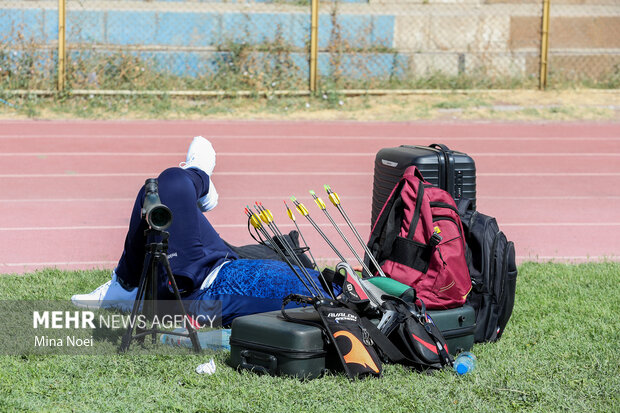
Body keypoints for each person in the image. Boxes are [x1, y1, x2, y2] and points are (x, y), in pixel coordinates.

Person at [71, 136, 331, 325]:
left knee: (164, 185)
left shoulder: (332, 298)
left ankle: (198, 176)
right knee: (158, 192)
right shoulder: (337, 288)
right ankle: (126, 284)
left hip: (196, 287)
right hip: (217, 262)